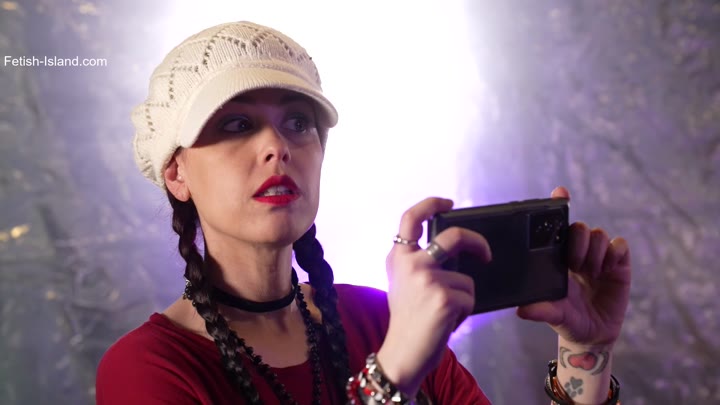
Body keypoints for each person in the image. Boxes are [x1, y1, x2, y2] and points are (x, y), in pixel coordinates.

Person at [95, 21, 631, 405]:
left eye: (298, 122)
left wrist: (585, 352)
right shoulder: (148, 368)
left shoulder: (384, 320)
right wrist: (390, 377)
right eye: (237, 124)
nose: (277, 147)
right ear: (176, 173)